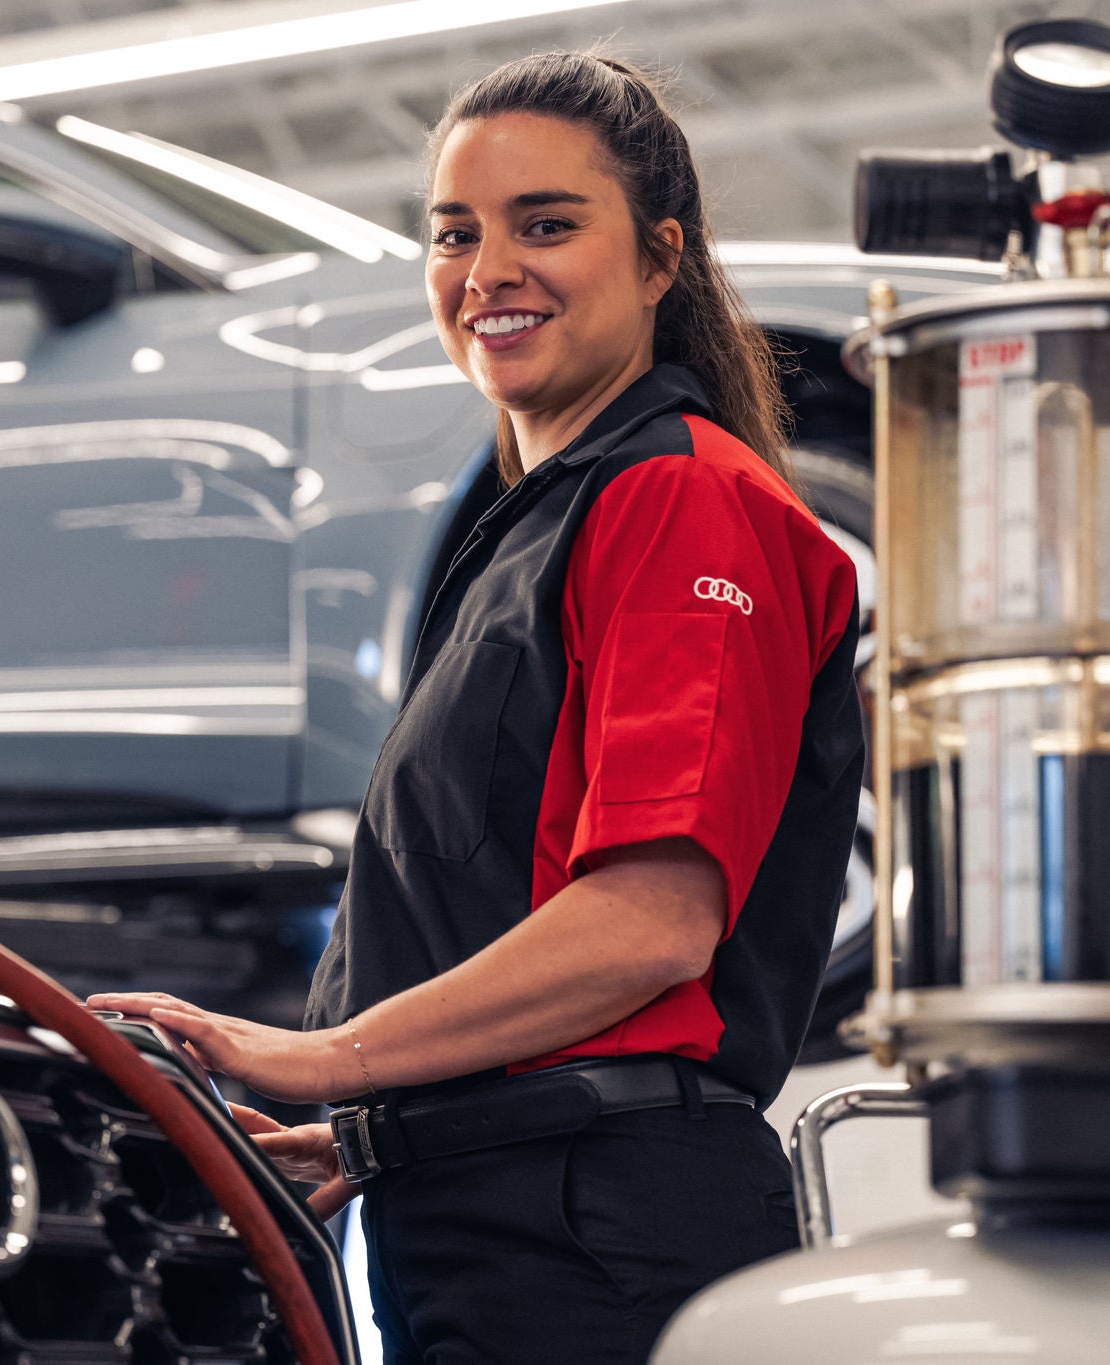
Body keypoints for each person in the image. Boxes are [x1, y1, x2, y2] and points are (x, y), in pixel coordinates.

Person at [89, 50, 863, 1364]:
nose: (487, 269)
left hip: (603, 1229)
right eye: (455, 234)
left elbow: (650, 923)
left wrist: (326, 1056)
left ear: (661, 258)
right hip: (491, 1214)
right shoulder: (527, 538)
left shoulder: (683, 499)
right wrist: (379, 1122)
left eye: (545, 225)